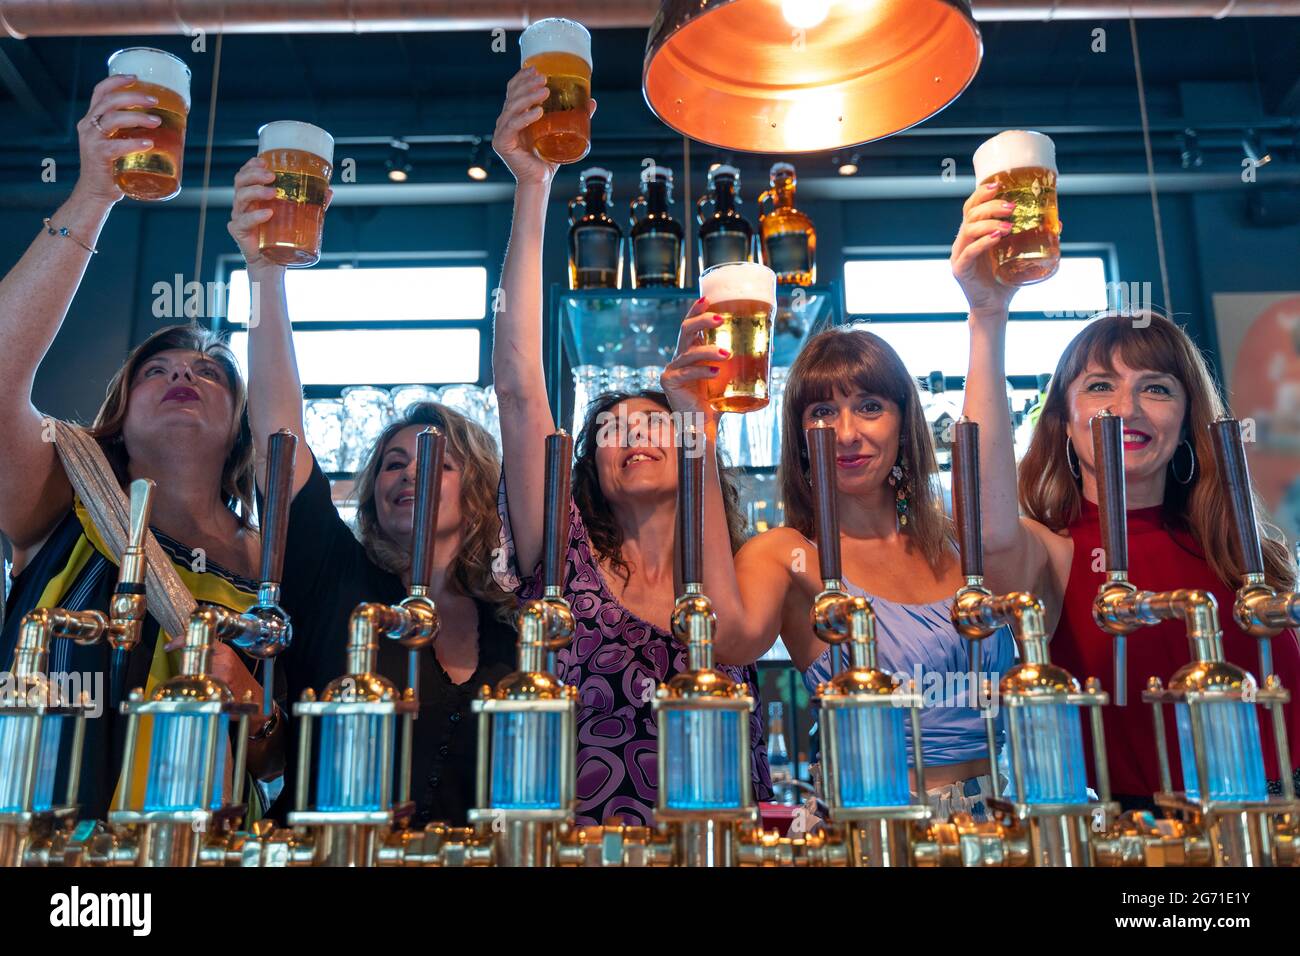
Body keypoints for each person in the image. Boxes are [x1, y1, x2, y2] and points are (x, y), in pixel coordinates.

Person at [952, 181, 1300, 807]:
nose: (1128, 409)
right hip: (1156, 841)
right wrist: (987, 315)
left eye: (1157, 388)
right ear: (1060, 422)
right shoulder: (1050, 551)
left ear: (1189, 418)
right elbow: (986, 530)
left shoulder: (1238, 546)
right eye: (1100, 386)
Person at [490, 65, 770, 826]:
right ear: (590, 472)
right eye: (612, 430)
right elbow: (518, 390)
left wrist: (698, 414)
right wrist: (532, 186)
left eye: (656, 422)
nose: (635, 435)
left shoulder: (732, 572)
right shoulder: (564, 553)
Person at [0, 74, 276, 821]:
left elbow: (275, 760)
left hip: (208, 845)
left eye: (209, 371)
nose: (182, 373)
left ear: (241, 429)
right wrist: (94, 194)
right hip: (45, 848)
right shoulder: (65, 497)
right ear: (118, 416)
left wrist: (256, 710)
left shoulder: (267, 559)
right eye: (157, 369)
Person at [228, 160, 517, 825]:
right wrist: (264, 272)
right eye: (390, 464)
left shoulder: (510, 617)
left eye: (433, 462)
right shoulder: (335, 575)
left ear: (478, 495)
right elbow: (280, 433)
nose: (408, 473)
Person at [666, 322, 1015, 821]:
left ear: (902, 423)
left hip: (989, 830)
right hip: (865, 833)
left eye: (869, 407)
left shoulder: (963, 546)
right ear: (802, 437)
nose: (847, 433)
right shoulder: (789, 555)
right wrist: (695, 430)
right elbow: (723, 637)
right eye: (823, 412)